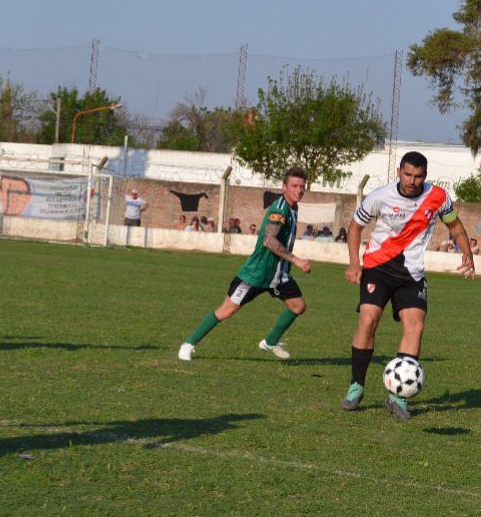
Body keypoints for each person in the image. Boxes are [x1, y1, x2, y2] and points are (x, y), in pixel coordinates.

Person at [341, 152, 475, 419]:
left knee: (416, 325)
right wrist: (355, 264)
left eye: (419, 176)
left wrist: (467, 253)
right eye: (408, 174)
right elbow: (355, 227)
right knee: (368, 321)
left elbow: (456, 226)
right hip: (378, 267)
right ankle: (357, 384)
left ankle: (397, 397)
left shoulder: (438, 197)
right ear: (399, 172)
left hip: (412, 273)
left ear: (425, 176)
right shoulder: (379, 196)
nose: (413, 181)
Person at [178, 167, 311, 362]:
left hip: (277, 275)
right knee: (226, 311)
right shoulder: (279, 209)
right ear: (284, 187)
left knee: (298, 306)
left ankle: (270, 341)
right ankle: (188, 344)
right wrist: (296, 260)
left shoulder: (293, 207)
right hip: (256, 274)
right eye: (294, 186)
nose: (298, 190)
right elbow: (269, 240)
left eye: (302, 186)